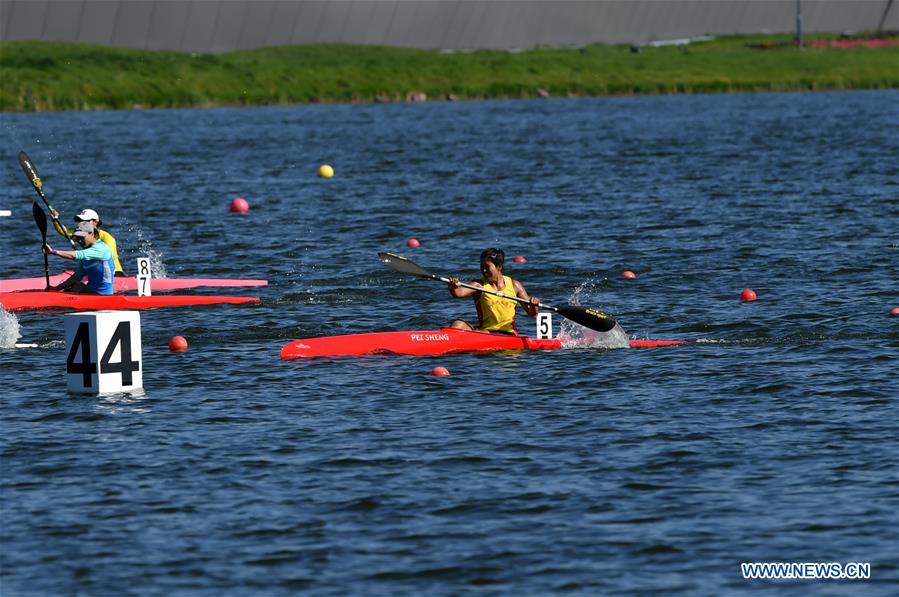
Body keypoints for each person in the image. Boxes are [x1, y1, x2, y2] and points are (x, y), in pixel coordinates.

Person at [447, 247, 539, 334]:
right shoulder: (478, 285)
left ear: (499, 266)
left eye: (487, 267)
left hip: (508, 333)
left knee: (473, 332)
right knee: (457, 324)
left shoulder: (515, 285)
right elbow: (458, 293)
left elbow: (532, 313)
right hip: (485, 332)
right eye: (481, 266)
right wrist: (453, 287)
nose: (483, 270)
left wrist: (534, 305)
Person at [43, 221, 116, 295]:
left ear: (91, 234)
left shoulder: (101, 249)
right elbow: (76, 277)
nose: (80, 240)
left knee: (78, 286)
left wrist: (52, 251)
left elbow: (75, 255)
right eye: (78, 237)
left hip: (104, 295)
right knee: (70, 287)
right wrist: (56, 288)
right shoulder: (86, 256)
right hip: (91, 293)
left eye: (82, 237)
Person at [51, 207, 124, 276]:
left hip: (114, 272)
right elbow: (64, 232)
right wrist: (55, 220)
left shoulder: (107, 238)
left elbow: (109, 257)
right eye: (80, 221)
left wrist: (83, 256)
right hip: (95, 271)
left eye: (86, 221)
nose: (82, 223)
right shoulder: (82, 235)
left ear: (96, 222)